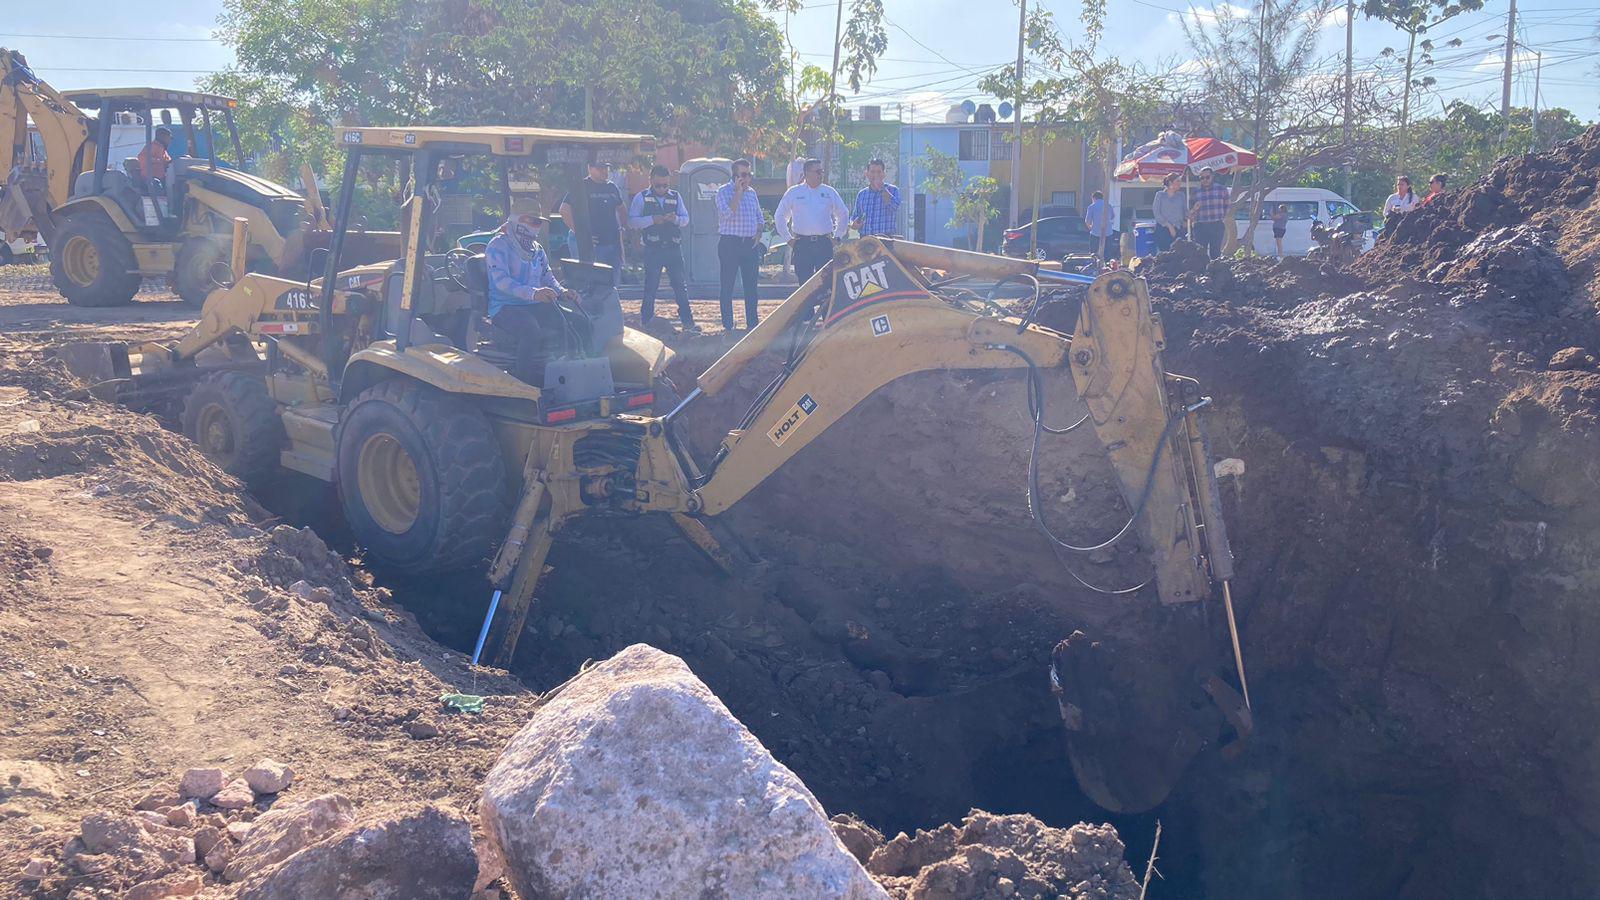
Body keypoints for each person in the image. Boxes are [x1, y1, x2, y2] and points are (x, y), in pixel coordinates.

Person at [485, 213, 586, 385]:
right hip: (505, 307)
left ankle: (576, 371)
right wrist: (533, 293)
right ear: (516, 221)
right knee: (530, 331)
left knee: (578, 322)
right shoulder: (498, 246)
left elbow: (548, 277)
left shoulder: (537, 249)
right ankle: (524, 383)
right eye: (531, 221)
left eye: (538, 222)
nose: (535, 225)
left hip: (534, 304)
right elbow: (501, 282)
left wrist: (563, 292)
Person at [628, 164, 696, 331]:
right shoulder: (641, 197)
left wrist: (675, 219)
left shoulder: (676, 196)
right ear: (650, 181)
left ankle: (688, 322)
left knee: (680, 286)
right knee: (651, 286)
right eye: (658, 185)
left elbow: (686, 219)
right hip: (653, 249)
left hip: (673, 248)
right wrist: (652, 219)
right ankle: (646, 321)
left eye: (665, 185)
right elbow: (632, 221)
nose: (662, 189)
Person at [775, 158, 849, 285]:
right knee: (804, 284)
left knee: (827, 283)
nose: (821, 174)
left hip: (824, 243)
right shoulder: (794, 192)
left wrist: (837, 237)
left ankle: (824, 305)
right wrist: (788, 239)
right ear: (807, 173)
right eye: (818, 171)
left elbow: (843, 213)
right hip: (802, 244)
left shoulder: (829, 192)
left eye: (822, 171)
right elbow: (780, 216)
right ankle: (808, 306)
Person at [714, 158, 764, 330]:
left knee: (751, 288)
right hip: (730, 244)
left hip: (749, 245)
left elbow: (759, 216)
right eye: (744, 175)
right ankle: (728, 326)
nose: (747, 178)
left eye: (749, 174)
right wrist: (737, 192)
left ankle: (752, 325)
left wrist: (758, 233)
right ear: (734, 176)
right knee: (727, 286)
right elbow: (727, 214)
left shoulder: (752, 193)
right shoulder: (723, 191)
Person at [559, 161, 627, 286]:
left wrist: (621, 230)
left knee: (612, 282)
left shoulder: (612, 187)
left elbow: (622, 209)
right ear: (590, 168)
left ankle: (608, 305)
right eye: (600, 168)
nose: (604, 171)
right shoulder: (581, 186)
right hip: (588, 244)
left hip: (611, 243)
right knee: (588, 282)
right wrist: (581, 235)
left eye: (606, 168)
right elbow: (564, 210)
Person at [850, 158, 901, 238]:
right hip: (865, 239)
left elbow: (894, 207)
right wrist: (854, 223)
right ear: (867, 174)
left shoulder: (893, 190)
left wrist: (882, 188)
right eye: (872, 172)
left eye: (879, 172)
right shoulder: (862, 194)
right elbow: (854, 217)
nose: (876, 175)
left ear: (884, 174)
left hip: (886, 240)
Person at [1188, 167, 1231, 259]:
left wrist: (1223, 217)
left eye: (1207, 177)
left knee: (1215, 252)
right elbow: (1189, 212)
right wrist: (1194, 209)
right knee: (1200, 253)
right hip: (1200, 226)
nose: (1205, 180)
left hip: (1216, 225)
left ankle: (1215, 272)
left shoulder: (1221, 189)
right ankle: (1202, 273)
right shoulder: (1195, 191)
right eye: (1202, 178)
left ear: (1212, 177)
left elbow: (1227, 206)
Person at [1151, 173, 1187, 254]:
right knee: (1165, 255)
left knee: (1179, 254)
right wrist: (1169, 225)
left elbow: (1185, 212)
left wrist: (1194, 210)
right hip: (1163, 229)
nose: (1180, 183)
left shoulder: (1181, 195)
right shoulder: (1160, 195)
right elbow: (1156, 212)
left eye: (1180, 181)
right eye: (1177, 181)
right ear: (1170, 183)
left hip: (1178, 229)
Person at [1082, 190, 1118, 261]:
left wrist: (1091, 228)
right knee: (1108, 254)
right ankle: (1107, 268)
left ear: (1094, 198)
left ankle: (1095, 267)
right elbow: (1112, 216)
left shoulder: (1091, 207)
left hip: (1095, 233)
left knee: (1094, 254)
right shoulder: (1108, 205)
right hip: (1108, 233)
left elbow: (1087, 221)